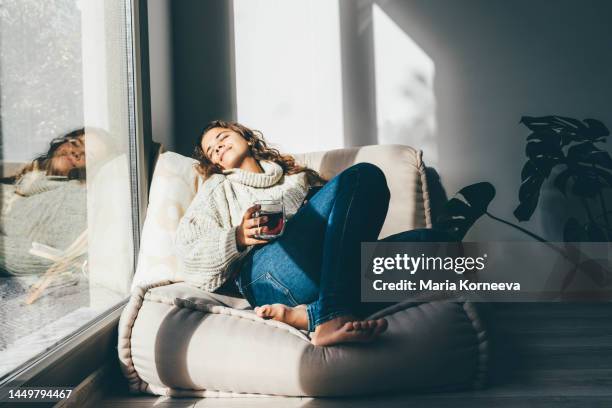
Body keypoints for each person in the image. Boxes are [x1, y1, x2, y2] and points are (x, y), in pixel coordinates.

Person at [175, 120, 464, 347]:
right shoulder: (218, 188)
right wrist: (237, 237)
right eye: (212, 150)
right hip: (265, 275)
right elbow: (188, 252)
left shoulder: (299, 178)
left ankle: (313, 314)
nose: (218, 147)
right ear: (217, 165)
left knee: (440, 249)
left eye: (222, 137)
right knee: (364, 174)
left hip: (326, 267)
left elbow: (344, 223)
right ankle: (333, 314)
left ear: (245, 136)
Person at [0, 129, 88, 277]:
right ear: (61, 143)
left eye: (87, 154)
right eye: (75, 143)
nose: (76, 152)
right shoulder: (29, 176)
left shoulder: (71, 198)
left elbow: (52, 259)